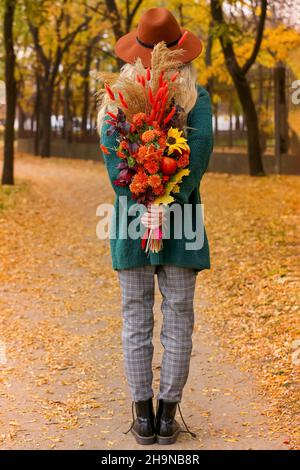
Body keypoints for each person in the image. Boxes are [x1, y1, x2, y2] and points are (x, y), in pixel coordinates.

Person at [97, 7, 213, 445]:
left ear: (136, 56)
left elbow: (114, 157)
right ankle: (166, 417)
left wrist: (142, 203)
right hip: (183, 223)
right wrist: (169, 204)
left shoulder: (116, 99)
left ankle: (143, 418)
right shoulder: (195, 98)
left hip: (130, 222)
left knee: (135, 320)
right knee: (179, 318)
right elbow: (197, 156)